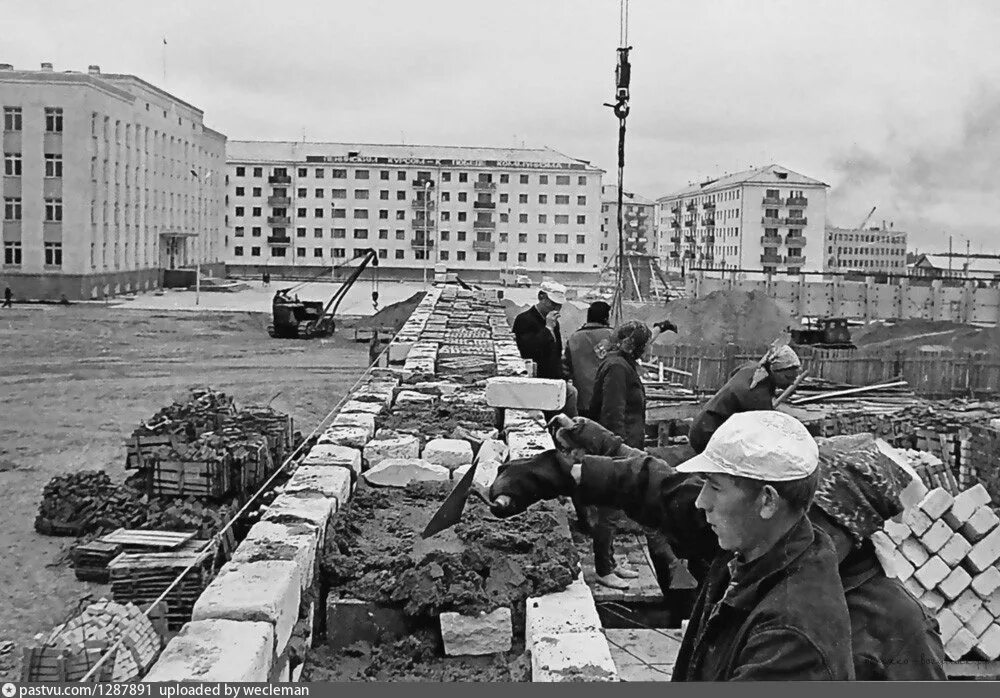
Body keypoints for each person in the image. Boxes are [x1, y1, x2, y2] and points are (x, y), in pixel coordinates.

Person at [490, 411, 855, 681]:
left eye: (714, 486)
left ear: (768, 500)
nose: (701, 502)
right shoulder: (761, 537)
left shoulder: (792, 640)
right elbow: (660, 489)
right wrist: (565, 474)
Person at [810, 436, 947, 680]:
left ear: (854, 531)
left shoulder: (900, 623)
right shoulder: (790, 583)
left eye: (817, 528)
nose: (800, 539)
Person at [687, 344, 801, 453]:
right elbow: (765, 431)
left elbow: (733, 374)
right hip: (708, 435)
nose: (792, 382)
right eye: (788, 377)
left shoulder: (751, 367)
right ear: (774, 370)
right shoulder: (757, 393)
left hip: (700, 426)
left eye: (795, 378)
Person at [512, 281, 577, 416]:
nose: (556, 309)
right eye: (552, 304)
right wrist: (548, 328)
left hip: (553, 377)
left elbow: (556, 352)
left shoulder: (554, 322)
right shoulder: (524, 319)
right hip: (537, 378)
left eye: (559, 306)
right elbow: (527, 350)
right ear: (541, 297)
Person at [562, 301, 613, 420]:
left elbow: (565, 369)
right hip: (607, 400)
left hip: (582, 401)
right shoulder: (612, 336)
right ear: (606, 318)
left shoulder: (574, 337)